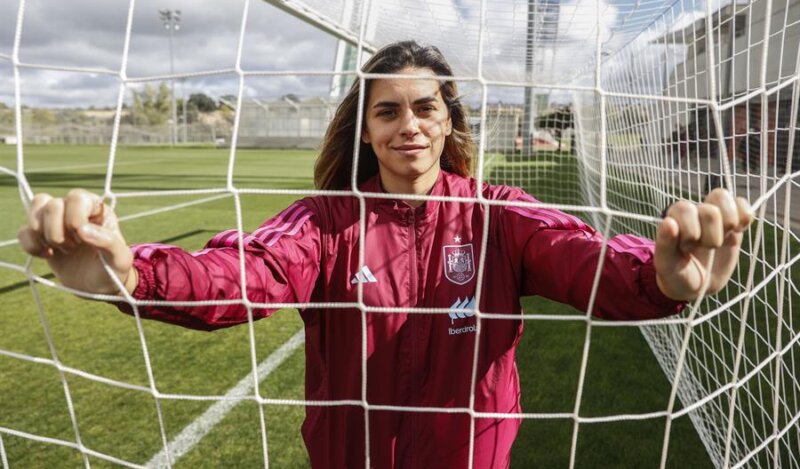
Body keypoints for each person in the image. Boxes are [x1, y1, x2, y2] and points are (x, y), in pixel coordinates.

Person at [18, 41, 752, 468]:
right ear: (365, 129)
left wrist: (659, 276)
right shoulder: (326, 222)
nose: (409, 124)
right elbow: (239, 273)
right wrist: (130, 270)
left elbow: (580, 256)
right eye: (388, 109)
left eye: (425, 106)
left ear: (448, 120)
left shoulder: (498, 215)